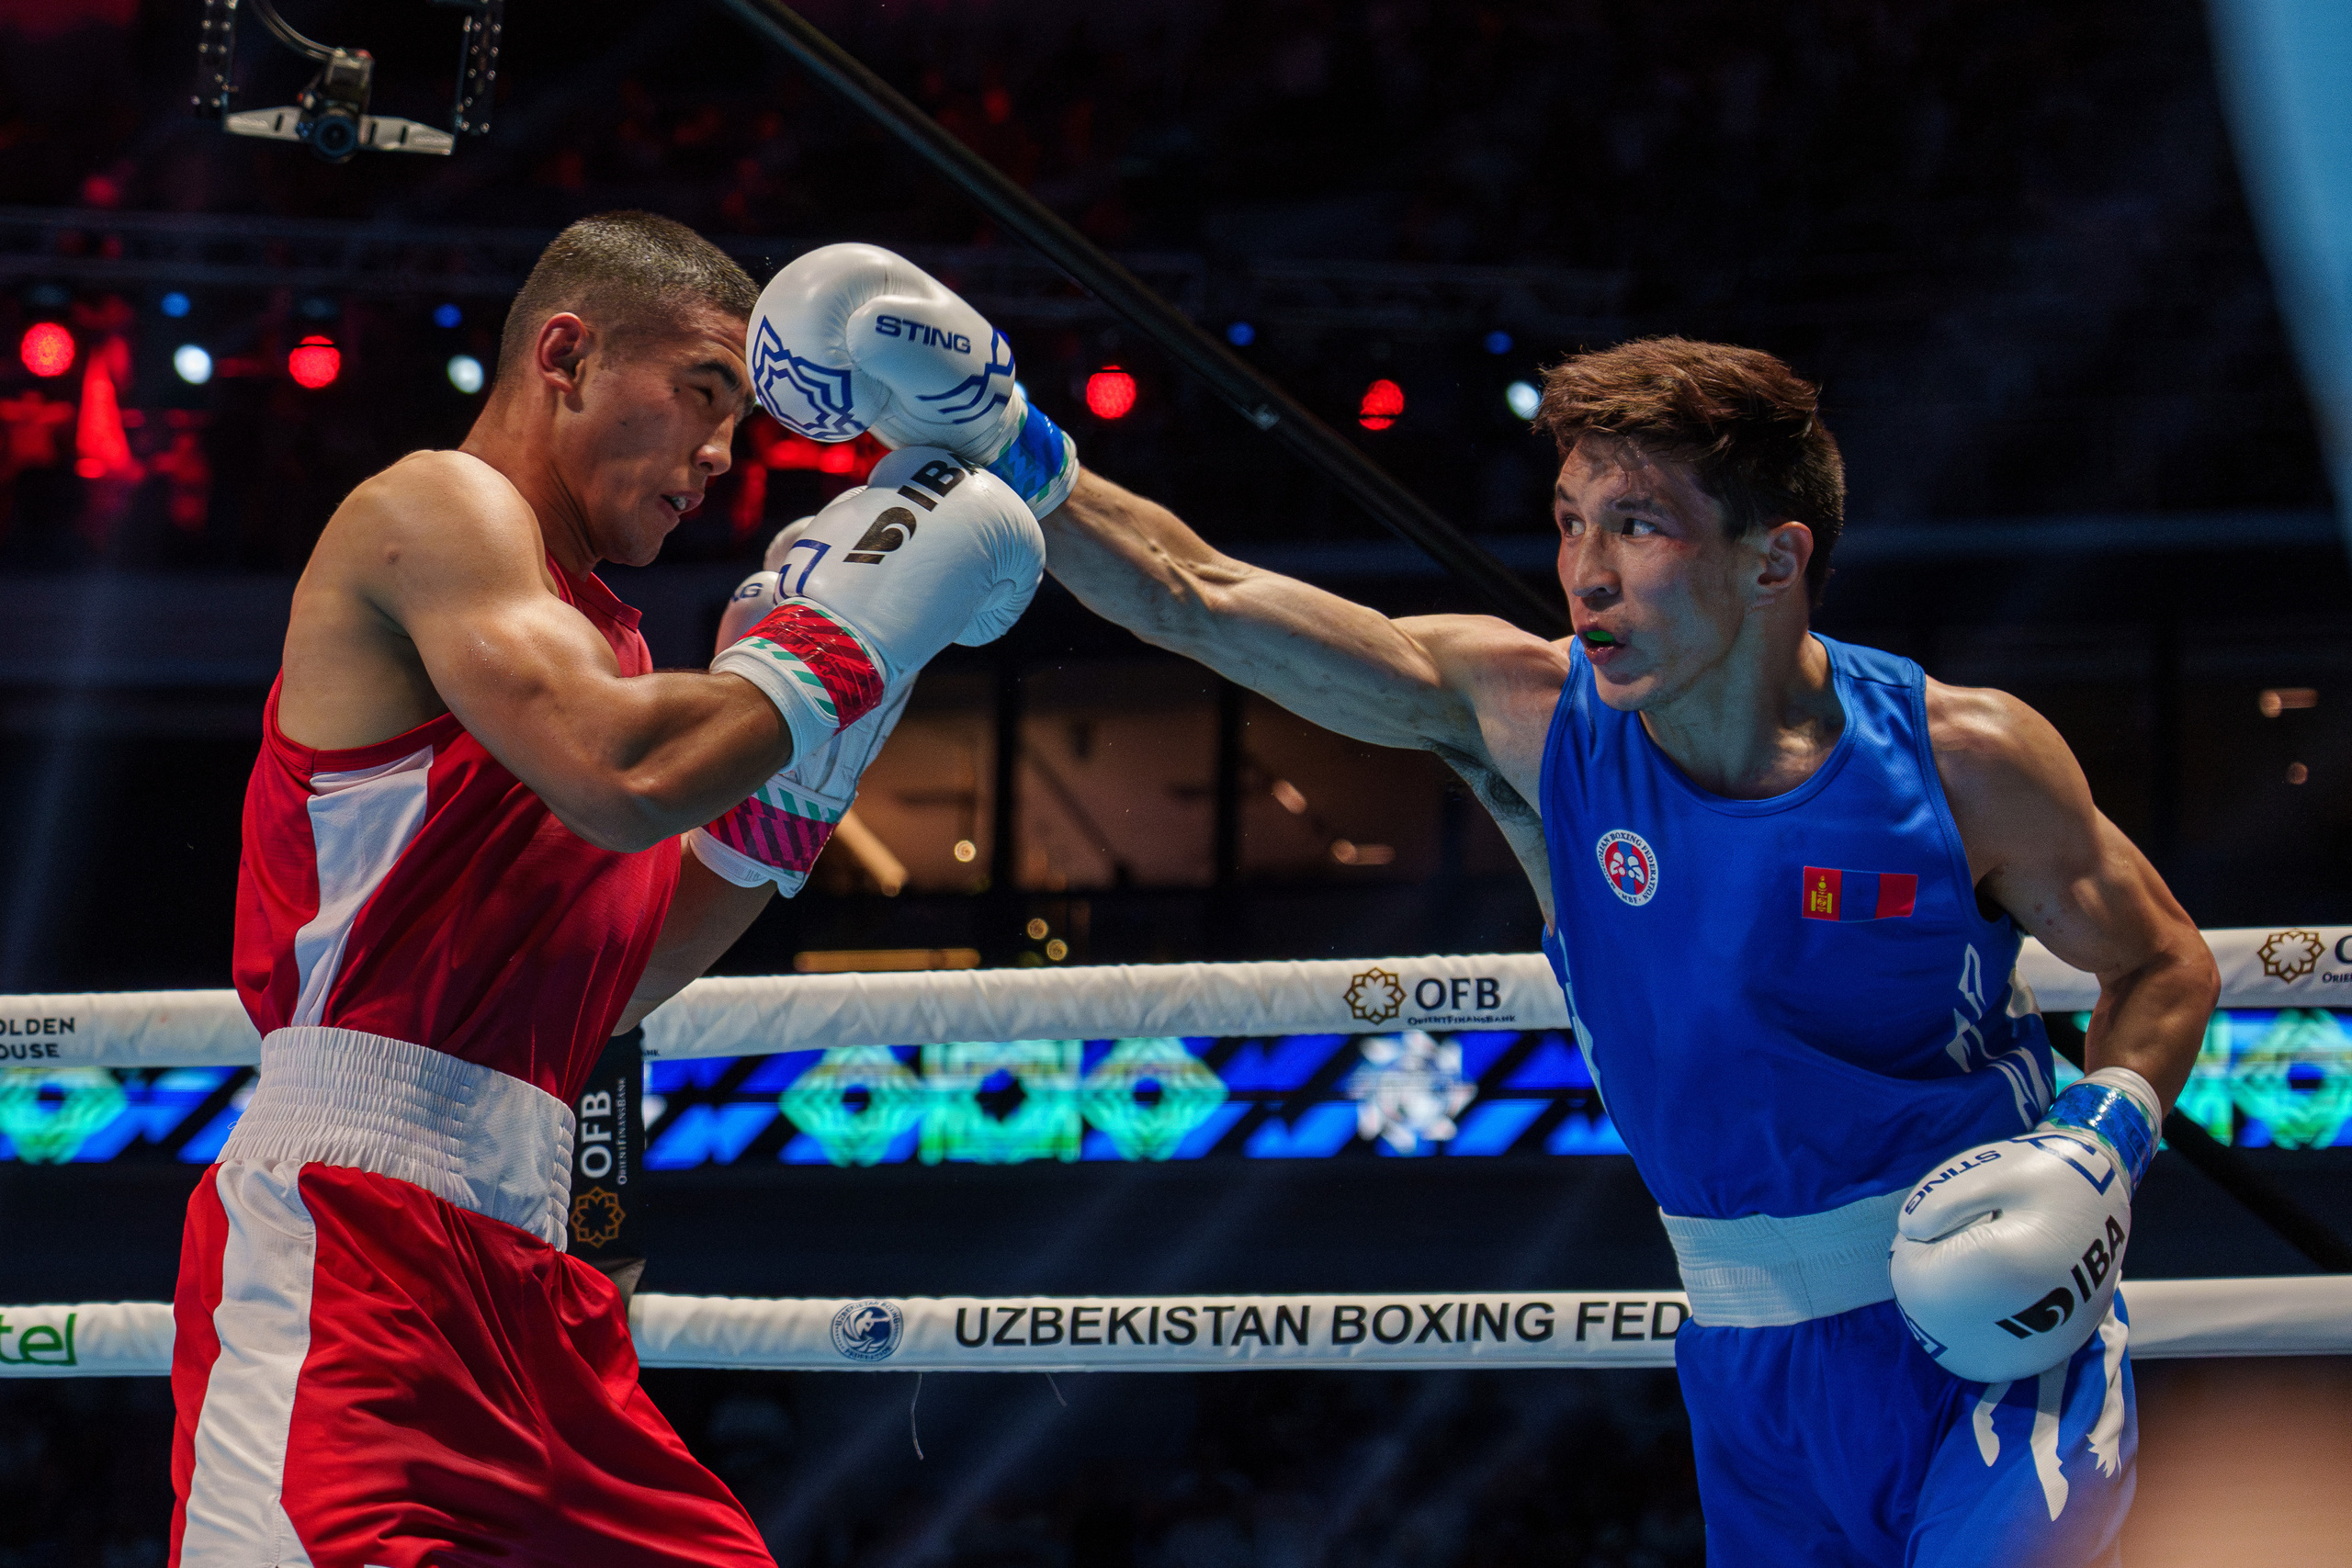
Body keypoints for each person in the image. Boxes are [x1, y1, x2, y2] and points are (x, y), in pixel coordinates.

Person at [751, 250, 2218, 1567]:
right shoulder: (1531, 721)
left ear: (1775, 558)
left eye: (1639, 526)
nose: (1583, 571)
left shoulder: (1963, 757)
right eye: (1573, 519)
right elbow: (1199, 595)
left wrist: (2108, 1136)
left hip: (1989, 1333)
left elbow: (2159, 961)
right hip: (1745, 1368)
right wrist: (1008, 439)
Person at [171, 212, 1046, 1568]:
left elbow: (615, 969)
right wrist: (846, 640)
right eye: (704, 395)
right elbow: (617, 774)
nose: (718, 457)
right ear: (566, 355)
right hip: (353, 1241)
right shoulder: (437, 509)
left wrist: (800, 788)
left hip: (530, 1272)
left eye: (743, 426)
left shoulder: (612, 639)